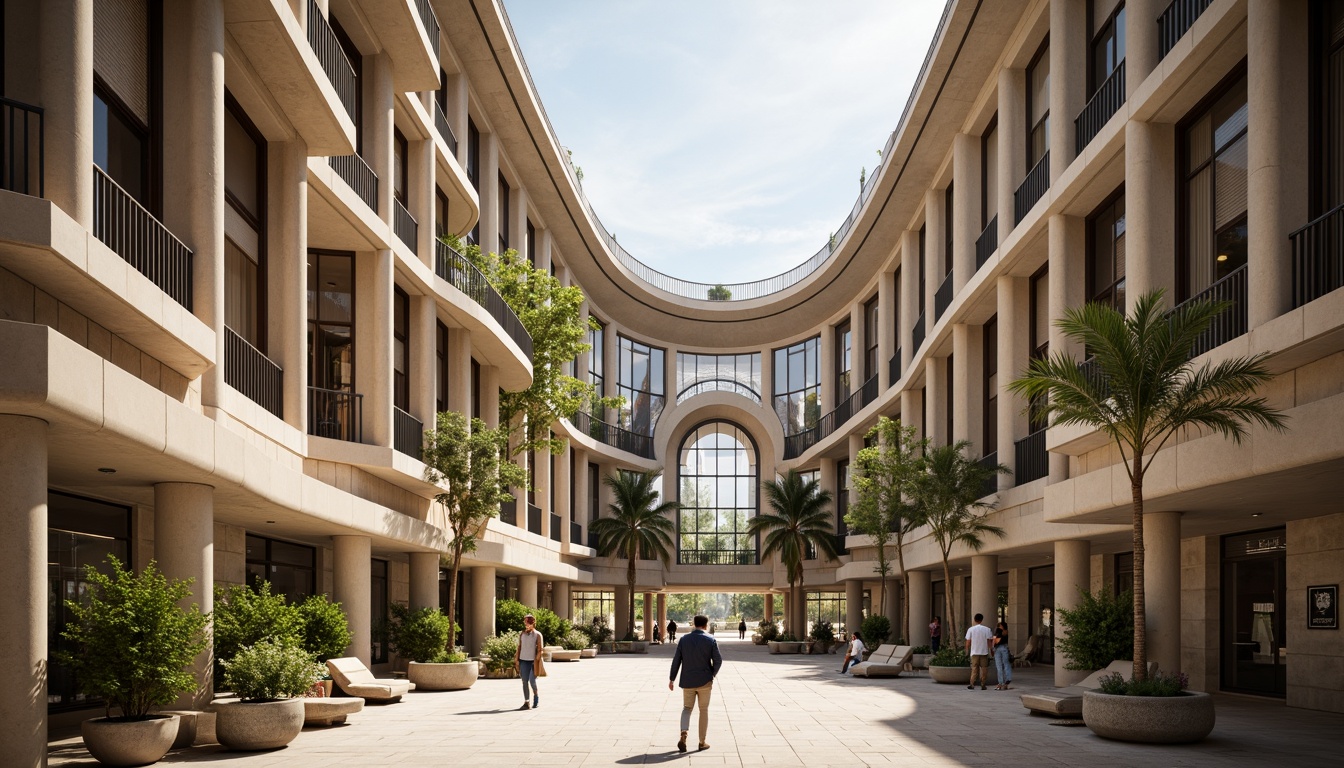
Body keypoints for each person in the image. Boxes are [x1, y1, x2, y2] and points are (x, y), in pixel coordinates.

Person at [669, 614, 722, 753]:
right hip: (705, 681)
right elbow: (718, 660)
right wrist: (712, 674)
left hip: (687, 680)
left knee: (687, 708)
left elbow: (676, 660)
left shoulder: (684, 639)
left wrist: (672, 678)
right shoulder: (710, 639)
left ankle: (684, 734)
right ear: (706, 625)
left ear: (693, 624)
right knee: (703, 710)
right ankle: (702, 742)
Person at [514, 613, 544, 709]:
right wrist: (517, 659)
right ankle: (527, 702)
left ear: (533, 623)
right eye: (525, 622)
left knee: (532, 681)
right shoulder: (522, 634)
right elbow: (519, 647)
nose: (526, 624)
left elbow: (540, 649)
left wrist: (537, 659)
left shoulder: (537, 635)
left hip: (532, 662)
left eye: (528, 622)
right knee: (524, 681)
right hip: (523, 660)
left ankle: (536, 695)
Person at [964, 613, 994, 691]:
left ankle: (972, 683)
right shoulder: (987, 629)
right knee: (984, 669)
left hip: (974, 652)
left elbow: (968, 641)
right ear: (982, 619)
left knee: (974, 668)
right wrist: (991, 649)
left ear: (974, 619)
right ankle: (983, 684)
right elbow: (989, 641)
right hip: (984, 652)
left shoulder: (971, 629)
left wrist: (967, 649)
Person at [993, 620, 1012, 690]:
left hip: (998, 648)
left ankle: (1000, 683)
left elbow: (996, 640)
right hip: (1004, 648)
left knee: (999, 666)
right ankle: (1007, 680)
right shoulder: (1006, 632)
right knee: (1006, 664)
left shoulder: (998, 630)